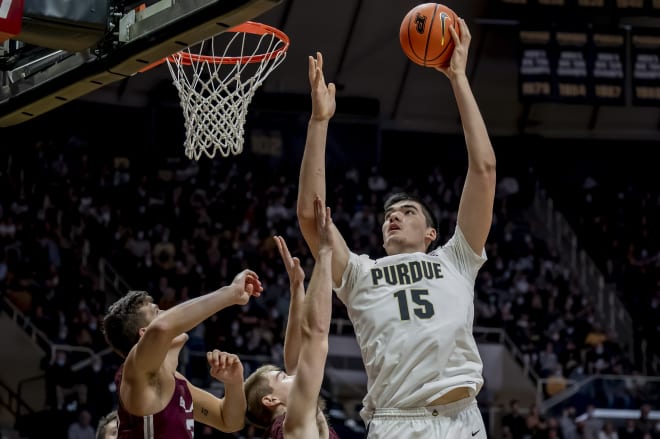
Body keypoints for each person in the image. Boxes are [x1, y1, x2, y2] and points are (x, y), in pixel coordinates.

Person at [296, 17, 496, 439]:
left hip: (464, 418)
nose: (394, 216)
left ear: (430, 234)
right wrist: (319, 123)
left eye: (407, 211)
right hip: (398, 421)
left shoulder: (456, 259)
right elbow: (312, 220)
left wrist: (458, 77)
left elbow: (483, 169)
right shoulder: (360, 274)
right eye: (389, 214)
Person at [102, 270, 263, 438]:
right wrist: (230, 293)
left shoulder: (177, 383)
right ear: (144, 334)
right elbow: (161, 328)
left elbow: (230, 421)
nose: (169, 313)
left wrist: (234, 383)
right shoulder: (136, 372)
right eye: (158, 312)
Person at [243, 197, 340, 438]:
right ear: (271, 399)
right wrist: (325, 252)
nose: (291, 374)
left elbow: (296, 362)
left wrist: (297, 288)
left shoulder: (291, 424)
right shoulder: (293, 423)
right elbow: (315, 335)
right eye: (281, 377)